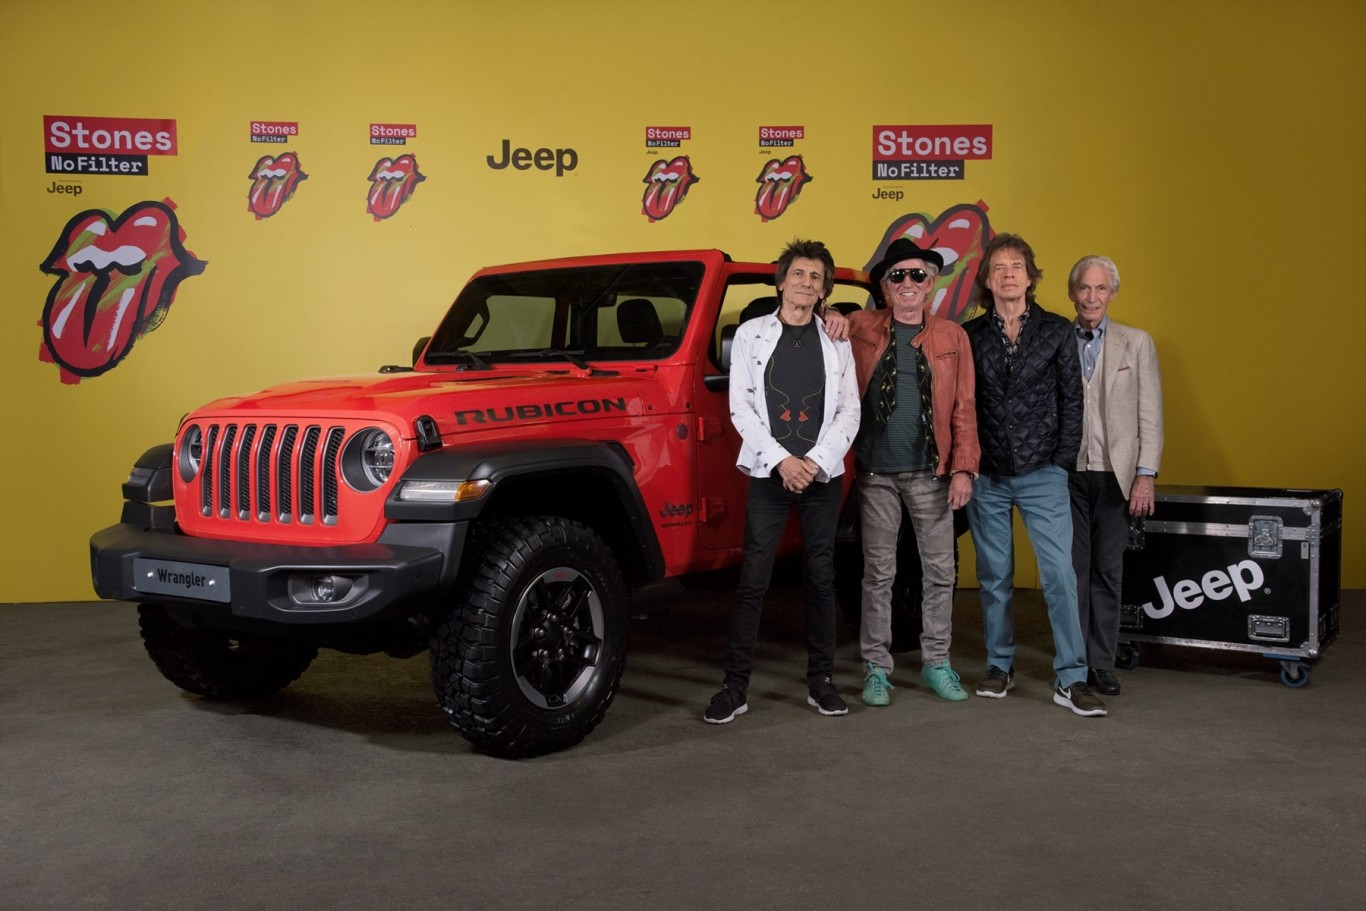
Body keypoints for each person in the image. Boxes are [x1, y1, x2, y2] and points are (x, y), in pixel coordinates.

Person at [704, 239, 860, 724]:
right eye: (798, 275)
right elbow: (740, 408)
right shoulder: (750, 334)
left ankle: (822, 683)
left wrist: (812, 461)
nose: (806, 284)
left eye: (815, 278)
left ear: (824, 289)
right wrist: (781, 462)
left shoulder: (838, 339)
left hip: (821, 474)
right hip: (770, 474)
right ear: (780, 281)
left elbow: (848, 409)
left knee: (820, 577)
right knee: (753, 579)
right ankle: (734, 688)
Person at [962, 233, 1106, 717]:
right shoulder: (971, 335)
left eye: (1016, 266)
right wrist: (970, 464)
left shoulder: (1057, 330)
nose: (1008, 273)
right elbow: (964, 406)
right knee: (995, 577)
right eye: (998, 266)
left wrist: (1061, 463)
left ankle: (1072, 677)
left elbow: (1073, 402)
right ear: (987, 279)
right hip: (988, 477)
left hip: (1044, 473)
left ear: (1030, 276)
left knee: (1060, 576)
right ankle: (999, 665)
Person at [846, 238, 979, 706]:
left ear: (931, 283)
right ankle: (876, 669)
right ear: (884, 286)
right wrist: (831, 318)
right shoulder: (859, 327)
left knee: (940, 573)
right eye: (897, 276)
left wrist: (964, 469)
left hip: (932, 472)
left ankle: (936, 663)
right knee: (878, 574)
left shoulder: (951, 337)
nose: (907, 283)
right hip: (874, 474)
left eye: (917, 275)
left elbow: (964, 409)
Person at [1067, 255, 1164, 696]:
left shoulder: (1136, 343)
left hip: (1115, 477)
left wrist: (1145, 475)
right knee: (1071, 573)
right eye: (1084, 288)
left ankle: (1101, 664)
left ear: (1112, 293)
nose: (1092, 297)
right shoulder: (1055, 338)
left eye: (1100, 289)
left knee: (1107, 571)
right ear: (1073, 293)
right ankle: (1072, 663)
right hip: (1065, 474)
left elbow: (1151, 413)